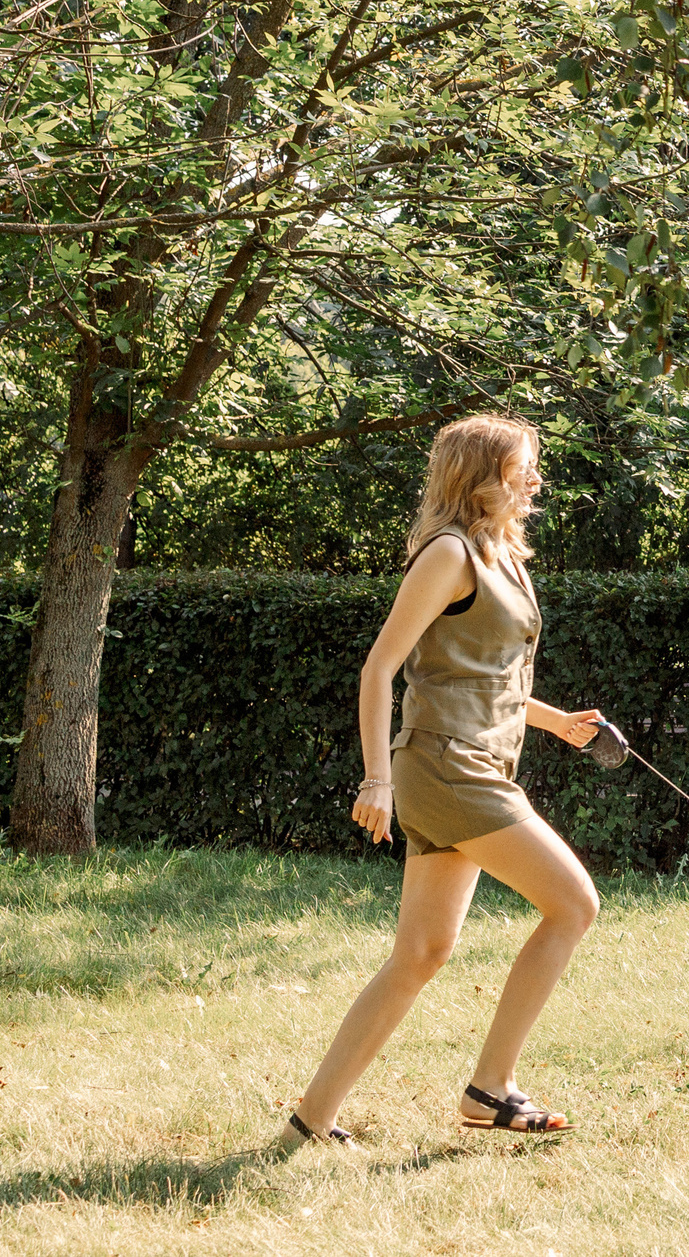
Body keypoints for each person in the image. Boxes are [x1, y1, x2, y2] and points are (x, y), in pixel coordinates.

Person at [275, 413, 604, 1151]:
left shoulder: (500, 555)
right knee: (574, 903)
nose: (534, 480)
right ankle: (491, 1088)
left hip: (472, 761)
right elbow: (380, 667)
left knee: (420, 952)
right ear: (481, 475)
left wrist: (557, 723)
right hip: (446, 765)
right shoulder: (449, 554)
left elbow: (482, 676)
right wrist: (376, 778)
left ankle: (310, 1120)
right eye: (522, 467)